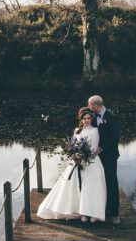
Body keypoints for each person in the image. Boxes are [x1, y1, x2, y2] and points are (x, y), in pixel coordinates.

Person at [37, 107, 107, 222]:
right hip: (77, 161)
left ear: (91, 119)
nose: (87, 120)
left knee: (90, 186)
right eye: (84, 119)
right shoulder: (76, 131)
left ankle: (92, 213)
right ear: (81, 120)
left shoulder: (94, 131)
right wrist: (74, 155)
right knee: (73, 185)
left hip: (91, 161)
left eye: (89, 118)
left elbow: (94, 148)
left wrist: (84, 157)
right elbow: (72, 145)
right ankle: (80, 212)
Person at [88, 94, 121, 225]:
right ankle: (102, 208)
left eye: (89, 105)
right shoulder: (93, 116)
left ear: (96, 105)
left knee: (111, 182)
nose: (88, 107)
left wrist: (101, 149)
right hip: (96, 158)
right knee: (99, 182)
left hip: (110, 156)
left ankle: (114, 213)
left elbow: (115, 139)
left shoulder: (112, 117)